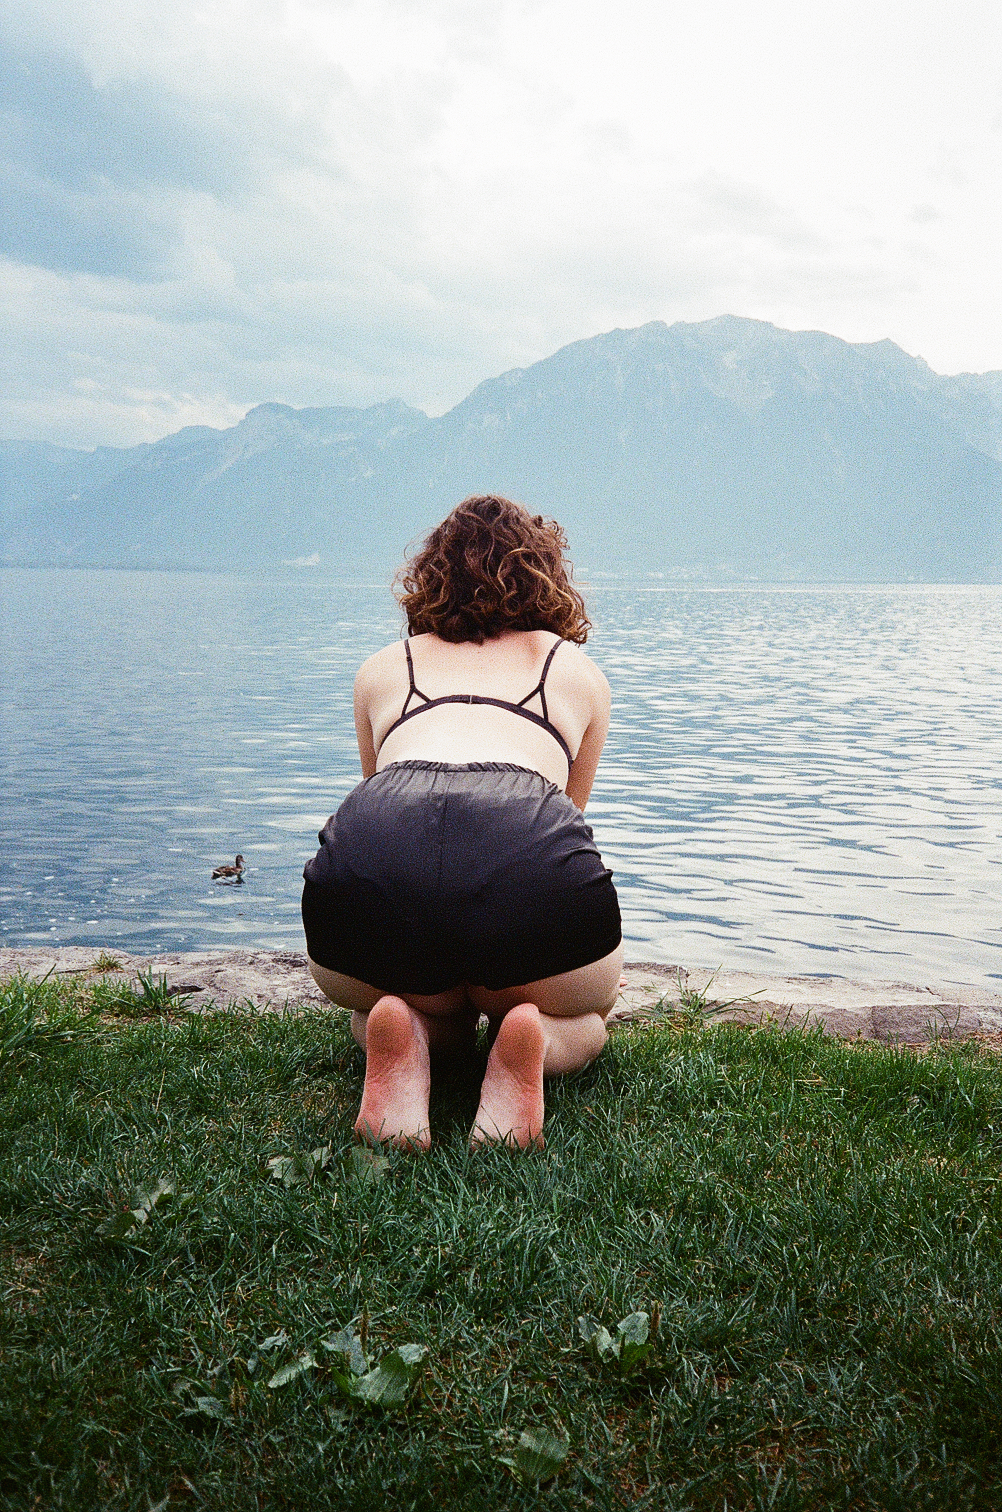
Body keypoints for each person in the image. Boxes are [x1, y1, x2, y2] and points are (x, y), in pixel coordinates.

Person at [302, 494, 622, 1149]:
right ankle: (530, 1035)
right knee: (589, 1013)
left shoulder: (384, 669)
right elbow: (566, 821)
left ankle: (407, 1031)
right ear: (547, 574)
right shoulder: (577, 674)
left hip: (382, 844)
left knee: (387, 1005)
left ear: (430, 574)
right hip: (524, 852)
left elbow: (379, 791)